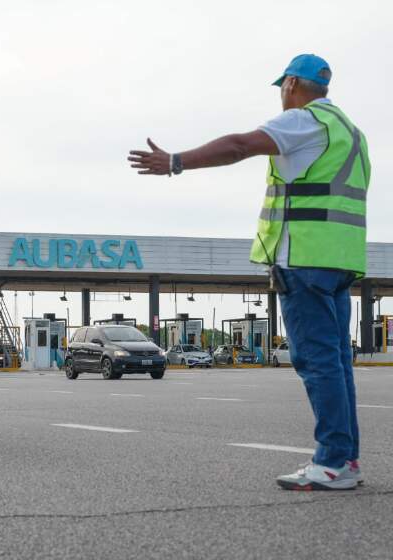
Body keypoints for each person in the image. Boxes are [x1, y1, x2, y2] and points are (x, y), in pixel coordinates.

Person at [128, 54, 370, 491]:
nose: (281, 96)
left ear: (291, 83)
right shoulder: (351, 132)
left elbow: (240, 145)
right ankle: (345, 459)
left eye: (282, 87)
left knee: (317, 362)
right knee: (336, 364)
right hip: (340, 260)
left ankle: (333, 462)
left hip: (305, 259)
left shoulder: (303, 121)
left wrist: (176, 161)